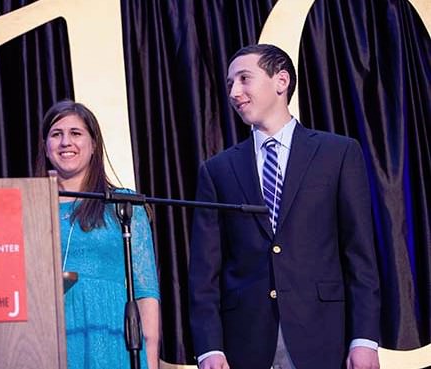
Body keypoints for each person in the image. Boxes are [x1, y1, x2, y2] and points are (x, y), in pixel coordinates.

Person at [188, 44, 380, 369]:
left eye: (244, 79)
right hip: (245, 343)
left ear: (281, 81)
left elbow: (360, 255)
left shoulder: (338, 154)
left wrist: (363, 339)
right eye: (230, 83)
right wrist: (209, 348)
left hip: (323, 337)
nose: (235, 92)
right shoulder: (218, 170)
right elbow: (204, 272)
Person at [35, 99, 160, 369]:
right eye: (56, 135)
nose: (65, 142)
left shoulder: (124, 206)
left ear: (93, 146)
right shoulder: (29, 209)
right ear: (46, 147)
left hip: (110, 340)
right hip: (47, 342)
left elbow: (146, 291)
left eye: (76, 133)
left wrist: (149, 359)